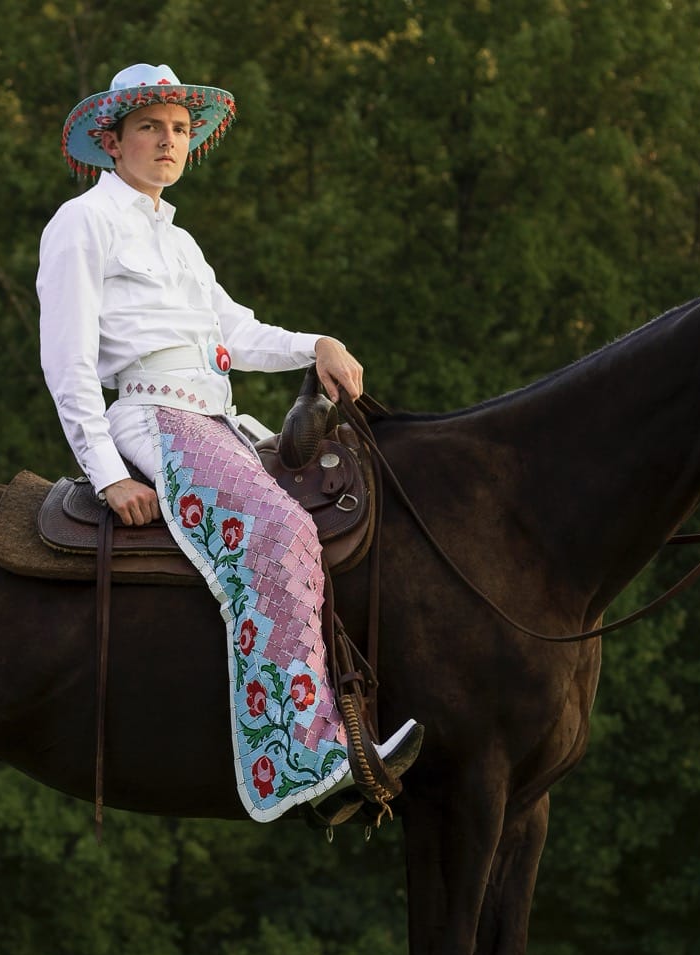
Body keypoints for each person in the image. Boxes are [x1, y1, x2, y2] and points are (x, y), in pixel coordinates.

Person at [37, 63, 420, 825]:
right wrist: (109, 474)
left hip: (220, 422)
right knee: (276, 533)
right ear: (112, 141)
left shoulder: (179, 243)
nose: (168, 141)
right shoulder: (83, 223)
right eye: (150, 127)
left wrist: (318, 341)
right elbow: (67, 360)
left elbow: (236, 333)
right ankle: (299, 759)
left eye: (179, 129)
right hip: (155, 419)